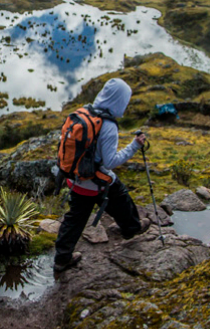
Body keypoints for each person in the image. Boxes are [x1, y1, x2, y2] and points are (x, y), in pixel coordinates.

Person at [54, 77, 146, 272]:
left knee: (74, 220)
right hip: (96, 182)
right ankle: (132, 229)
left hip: (75, 178)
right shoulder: (108, 126)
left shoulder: (84, 112)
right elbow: (110, 162)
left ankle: (62, 258)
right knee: (120, 195)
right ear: (119, 100)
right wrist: (135, 146)